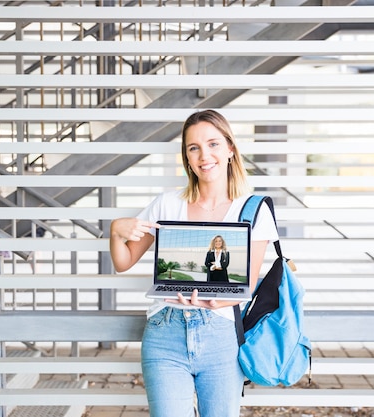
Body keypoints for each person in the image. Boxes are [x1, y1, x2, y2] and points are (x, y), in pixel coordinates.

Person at [109, 109, 279, 417]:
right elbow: (124, 261)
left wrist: (220, 300)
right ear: (187, 157)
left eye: (213, 144)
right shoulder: (167, 204)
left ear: (230, 149)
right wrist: (115, 231)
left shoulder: (253, 210)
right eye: (193, 147)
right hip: (166, 332)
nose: (204, 155)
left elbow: (246, 285)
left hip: (221, 336)